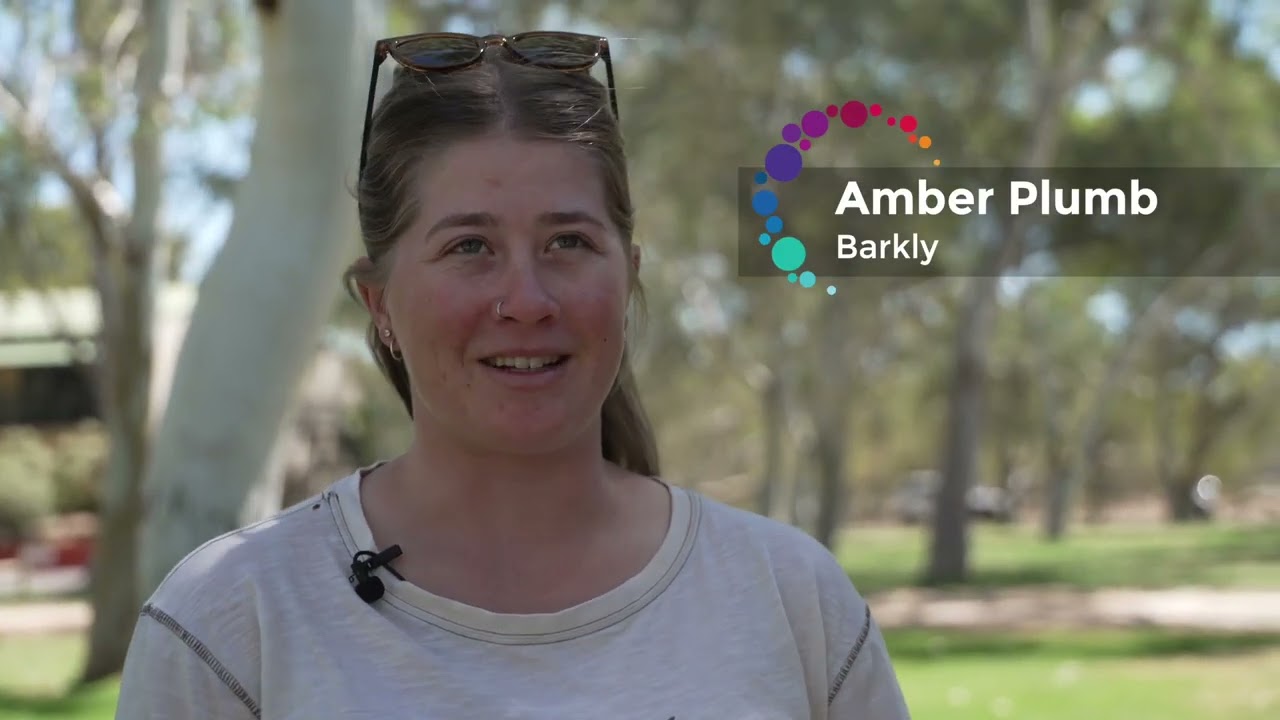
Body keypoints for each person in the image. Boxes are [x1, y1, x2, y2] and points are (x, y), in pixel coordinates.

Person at [115, 32, 912, 719]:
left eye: (568, 242)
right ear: (379, 301)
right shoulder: (230, 621)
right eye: (470, 247)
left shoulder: (788, 598)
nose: (526, 301)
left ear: (627, 277)